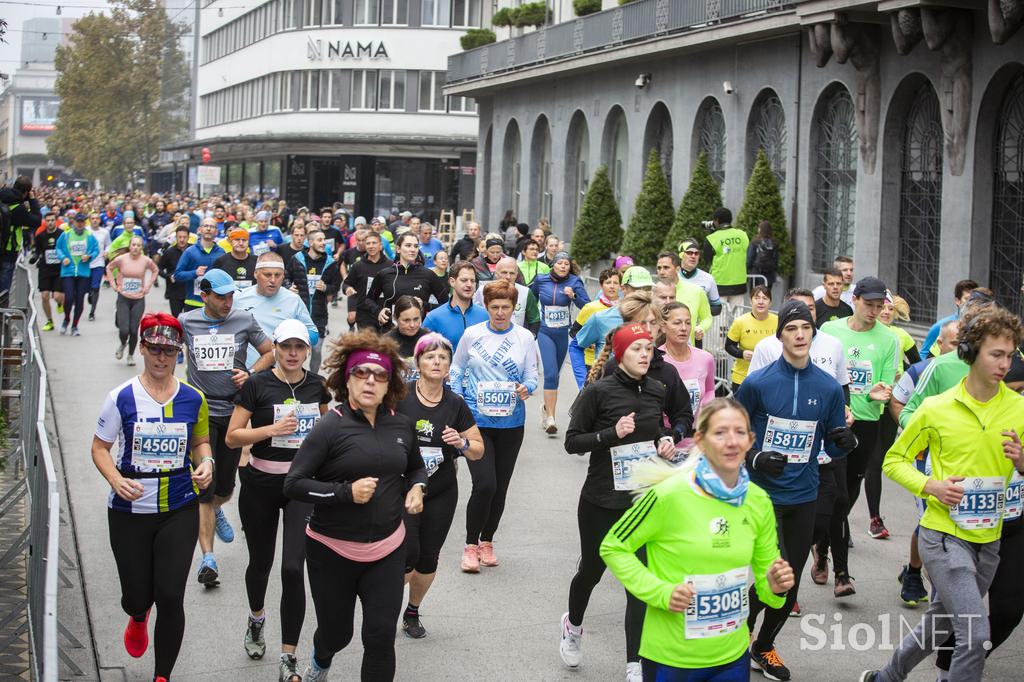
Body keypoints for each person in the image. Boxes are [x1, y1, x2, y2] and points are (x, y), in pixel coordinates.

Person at [861, 307, 1024, 682]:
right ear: (971, 353)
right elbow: (893, 461)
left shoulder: (1018, 408)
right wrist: (931, 485)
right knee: (975, 634)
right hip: (944, 535)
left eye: (1010, 354)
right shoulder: (936, 408)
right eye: (996, 354)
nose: (1005, 363)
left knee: (940, 624)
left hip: (989, 538)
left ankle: (885, 677)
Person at [600, 399, 795, 681]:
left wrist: (776, 589)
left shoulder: (758, 501)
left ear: (750, 441)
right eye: (720, 433)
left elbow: (767, 584)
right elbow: (614, 546)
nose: (731, 442)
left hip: (732, 658)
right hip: (671, 659)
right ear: (701, 441)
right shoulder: (668, 496)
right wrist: (661, 592)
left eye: (739, 432)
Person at [283, 331, 426, 682]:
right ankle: (320, 660)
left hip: (387, 549)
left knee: (379, 638)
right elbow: (294, 484)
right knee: (337, 634)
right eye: (361, 373)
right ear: (346, 380)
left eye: (379, 376)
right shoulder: (330, 427)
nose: (370, 381)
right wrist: (345, 493)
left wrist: (418, 487)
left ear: (388, 384)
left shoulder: (401, 424)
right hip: (332, 550)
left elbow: (415, 466)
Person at [91, 312, 214, 682]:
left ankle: (162, 676)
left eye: (170, 351)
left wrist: (206, 462)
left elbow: (201, 443)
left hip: (179, 505)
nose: (162, 358)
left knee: (171, 595)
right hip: (129, 509)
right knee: (137, 594)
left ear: (179, 353)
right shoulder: (121, 398)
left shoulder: (194, 398)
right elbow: (99, 448)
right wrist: (115, 478)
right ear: (142, 349)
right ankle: (138, 614)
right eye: (155, 349)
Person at [736, 300, 855, 681]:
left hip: (804, 494)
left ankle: (762, 644)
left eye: (806, 328)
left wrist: (845, 443)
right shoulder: (758, 383)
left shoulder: (828, 388)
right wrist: (754, 458)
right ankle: (740, 634)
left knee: (790, 582)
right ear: (781, 335)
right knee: (776, 574)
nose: (800, 334)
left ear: (813, 333)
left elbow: (834, 443)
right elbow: (733, 434)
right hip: (761, 497)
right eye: (792, 329)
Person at [561, 323, 681, 682]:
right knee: (591, 572)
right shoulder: (598, 392)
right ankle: (573, 625)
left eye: (648, 348)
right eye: (636, 349)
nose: (645, 354)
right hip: (601, 499)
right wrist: (611, 434)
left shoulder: (657, 390)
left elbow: (656, 429)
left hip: (641, 503)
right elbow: (572, 441)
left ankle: (635, 662)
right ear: (620, 354)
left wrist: (666, 439)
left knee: (639, 582)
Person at [225, 320, 331, 681]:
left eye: (299, 347)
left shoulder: (317, 386)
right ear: (275, 348)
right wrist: (271, 430)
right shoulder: (257, 384)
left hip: (300, 486)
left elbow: (329, 432)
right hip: (260, 483)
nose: (292, 353)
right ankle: (256, 619)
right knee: (260, 562)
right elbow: (232, 437)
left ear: (307, 351)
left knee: (292, 568)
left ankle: (289, 655)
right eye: (286, 346)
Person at [179, 269, 275, 586]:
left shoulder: (244, 320)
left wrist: (250, 373)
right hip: (201, 409)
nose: (227, 302)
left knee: (224, 488)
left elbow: (269, 353)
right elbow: (162, 351)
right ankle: (208, 559)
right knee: (204, 488)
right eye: (220, 296)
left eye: (231, 295)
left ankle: (219, 506)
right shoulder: (186, 321)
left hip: (233, 409)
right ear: (204, 295)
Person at [396, 333, 484, 638]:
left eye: (443, 358)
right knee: (407, 553)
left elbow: (478, 448)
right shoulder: (399, 396)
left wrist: (460, 442)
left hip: (442, 489)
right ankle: (384, 604)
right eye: (430, 356)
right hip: (403, 488)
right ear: (418, 362)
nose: (437, 361)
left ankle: (412, 611)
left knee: (428, 556)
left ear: (449, 367)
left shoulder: (455, 403)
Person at [451, 280, 539, 572]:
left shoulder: (525, 337)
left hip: (511, 422)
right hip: (476, 422)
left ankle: (487, 541)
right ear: (486, 308)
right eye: (494, 307)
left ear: (514, 308)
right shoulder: (472, 334)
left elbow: (532, 375)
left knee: (500, 487)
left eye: (506, 307)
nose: (500, 313)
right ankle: (470, 545)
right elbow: (457, 368)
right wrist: (459, 402)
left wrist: (526, 388)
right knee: (484, 484)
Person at [819, 276, 898, 590]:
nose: (875, 311)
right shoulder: (830, 331)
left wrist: (879, 393)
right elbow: (822, 376)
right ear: (855, 299)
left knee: (850, 492)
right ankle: (836, 564)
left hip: (866, 422)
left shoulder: (888, 339)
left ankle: (823, 544)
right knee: (835, 493)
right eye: (869, 304)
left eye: (880, 306)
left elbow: (884, 382)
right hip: (834, 422)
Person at [530, 251, 590, 434]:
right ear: (553, 265)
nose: (563, 266)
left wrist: (573, 297)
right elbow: (529, 298)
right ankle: (551, 419)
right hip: (545, 331)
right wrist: (530, 323)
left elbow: (586, 306)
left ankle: (546, 408)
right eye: (560, 263)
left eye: (566, 264)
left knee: (556, 375)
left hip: (562, 333)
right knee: (550, 374)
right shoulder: (541, 280)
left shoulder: (574, 282)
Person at [572, 267, 657, 384]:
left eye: (647, 289)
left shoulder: (655, 320)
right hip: (608, 390)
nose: (642, 294)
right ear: (623, 289)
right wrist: (583, 382)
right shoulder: (601, 318)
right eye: (637, 289)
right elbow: (575, 347)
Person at [235, 252, 319, 368]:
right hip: (245, 373)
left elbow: (314, 333)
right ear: (255, 274)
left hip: (280, 374)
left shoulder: (293, 300)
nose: (273, 280)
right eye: (267, 275)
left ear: (283, 276)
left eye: (278, 275)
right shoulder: (238, 298)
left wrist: (291, 336)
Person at [659, 302, 717, 451]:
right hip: (665, 444)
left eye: (688, 322)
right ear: (663, 326)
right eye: (677, 323)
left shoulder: (705, 359)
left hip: (697, 442)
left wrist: (705, 411)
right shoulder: (655, 361)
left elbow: (710, 390)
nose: (683, 328)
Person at [363, 232, 449, 331]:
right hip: (391, 334)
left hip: (418, 334)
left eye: (416, 246)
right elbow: (369, 300)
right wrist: (378, 311)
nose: (412, 249)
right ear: (398, 249)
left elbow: (447, 305)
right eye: (408, 246)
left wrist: (426, 305)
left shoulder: (428, 275)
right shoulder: (384, 274)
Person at [288, 228, 342, 374]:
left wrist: (326, 287)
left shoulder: (330, 263)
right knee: (296, 350)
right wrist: (289, 287)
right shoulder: (297, 259)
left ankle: (313, 377)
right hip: (298, 313)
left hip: (319, 313)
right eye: (319, 240)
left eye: (324, 240)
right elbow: (286, 276)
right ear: (310, 242)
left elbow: (336, 285)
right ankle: (295, 376)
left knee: (317, 349)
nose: (323, 243)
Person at [107, 236, 159, 366]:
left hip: (138, 299)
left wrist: (148, 286)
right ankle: (123, 343)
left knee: (134, 330)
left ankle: (130, 355)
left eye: (138, 245)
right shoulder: (121, 259)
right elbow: (109, 268)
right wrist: (113, 285)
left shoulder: (146, 260)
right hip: (123, 298)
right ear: (130, 246)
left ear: (141, 248)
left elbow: (155, 270)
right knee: (124, 330)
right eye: (133, 245)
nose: (135, 247)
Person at [568, 268, 620, 387]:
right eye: (608, 283)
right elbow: (574, 332)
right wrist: (590, 341)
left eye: (615, 283)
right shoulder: (590, 308)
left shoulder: (624, 310)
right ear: (601, 285)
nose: (612, 286)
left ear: (621, 287)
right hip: (590, 361)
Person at [424, 261, 490, 351]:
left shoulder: (485, 315)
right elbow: (422, 354)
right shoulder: (433, 318)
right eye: (464, 280)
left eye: (473, 281)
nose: (469, 284)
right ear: (452, 282)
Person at [725, 285, 778, 390]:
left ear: (770, 302)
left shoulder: (778, 321)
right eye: (757, 298)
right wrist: (741, 353)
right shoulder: (740, 322)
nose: (761, 302)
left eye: (765, 298)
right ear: (750, 301)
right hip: (743, 377)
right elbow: (729, 346)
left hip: (771, 377)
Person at [55, 213, 100, 336]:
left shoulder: (90, 235)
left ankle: (75, 325)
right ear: (73, 222)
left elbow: (96, 249)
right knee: (68, 298)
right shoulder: (66, 235)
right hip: (68, 271)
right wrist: (62, 257)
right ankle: (66, 319)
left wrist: (89, 256)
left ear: (85, 223)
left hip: (83, 272)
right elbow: (58, 248)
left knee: (80, 300)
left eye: (82, 222)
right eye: (78, 221)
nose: (80, 224)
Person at [470, 257, 541, 335]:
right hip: (487, 339)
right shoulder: (482, 290)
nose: (508, 277)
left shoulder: (526, 292)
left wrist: (531, 337)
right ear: (496, 273)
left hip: (515, 341)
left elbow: (534, 320)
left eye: (512, 273)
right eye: (504, 272)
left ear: (517, 274)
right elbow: (473, 315)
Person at [656, 251, 712, 344]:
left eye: (666, 267)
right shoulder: (653, 291)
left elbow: (707, 317)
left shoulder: (696, 291)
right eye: (659, 268)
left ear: (677, 269)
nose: (661, 272)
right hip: (659, 351)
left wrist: (701, 328)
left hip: (687, 349)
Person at [0, 176, 42, 299]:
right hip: (8, 250)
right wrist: (33, 200)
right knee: (3, 290)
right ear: (26, 192)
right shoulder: (18, 208)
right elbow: (36, 220)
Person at [341, 231, 391, 331]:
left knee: (383, 346)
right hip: (364, 314)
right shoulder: (358, 266)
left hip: (384, 312)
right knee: (369, 345)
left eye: (374, 243)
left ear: (380, 246)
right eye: (368, 243)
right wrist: (348, 288)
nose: (371, 246)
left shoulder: (390, 266)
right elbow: (346, 283)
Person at [174, 218, 226, 309]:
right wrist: (194, 273)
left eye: (212, 226)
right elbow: (177, 275)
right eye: (206, 226)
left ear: (216, 232)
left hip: (215, 304)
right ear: (200, 230)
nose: (208, 229)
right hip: (193, 303)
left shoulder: (221, 252)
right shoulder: (189, 251)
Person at [920, 279, 979, 359]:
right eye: (967, 299)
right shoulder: (940, 326)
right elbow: (924, 354)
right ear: (957, 301)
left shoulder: (980, 325)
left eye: (974, 299)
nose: (971, 303)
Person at [702, 207, 748, 308]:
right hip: (739, 283)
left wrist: (712, 232)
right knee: (738, 319)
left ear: (716, 220)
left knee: (719, 320)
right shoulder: (743, 235)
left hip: (719, 285)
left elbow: (707, 260)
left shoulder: (711, 238)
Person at [31, 211, 66, 331]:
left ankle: (60, 303)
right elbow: (37, 250)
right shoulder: (40, 236)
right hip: (45, 269)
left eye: (52, 220)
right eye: (48, 220)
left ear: (55, 221)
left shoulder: (62, 235)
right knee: (45, 296)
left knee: (56, 296)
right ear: (45, 222)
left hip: (59, 269)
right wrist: (34, 257)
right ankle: (49, 321)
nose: (50, 223)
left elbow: (66, 250)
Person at [386, 296, 429, 376]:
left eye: (416, 319)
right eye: (406, 320)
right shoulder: (386, 342)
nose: (412, 325)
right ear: (395, 318)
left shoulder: (430, 340)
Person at [158, 225, 192, 319]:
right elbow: (159, 268)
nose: (182, 240)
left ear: (188, 238)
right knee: (176, 320)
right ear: (176, 237)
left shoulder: (193, 250)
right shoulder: (169, 252)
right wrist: (168, 276)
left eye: (184, 237)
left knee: (189, 320)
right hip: (174, 292)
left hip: (190, 292)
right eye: (179, 237)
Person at [88, 212, 112, 321]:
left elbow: (108, 244)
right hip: (85, 263)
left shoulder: (104, 232)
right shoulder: (86, 231)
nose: (95, 220)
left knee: (96, 287)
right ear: (89, 220)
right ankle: (90, 295)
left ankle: (92, 312)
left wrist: (107, 251)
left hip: (99, 263)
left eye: (97, 218)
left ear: (100, 220)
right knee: (88, 288)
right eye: (92, 218)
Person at [747, 220, 779, 290]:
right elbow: (776, 259)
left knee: (754, 296)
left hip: (756, 274)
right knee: (766, 296)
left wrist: (748, 269)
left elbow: (750, 258)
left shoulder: (755, 241)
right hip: (769, 276)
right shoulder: (774, 243)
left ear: (760, 230)